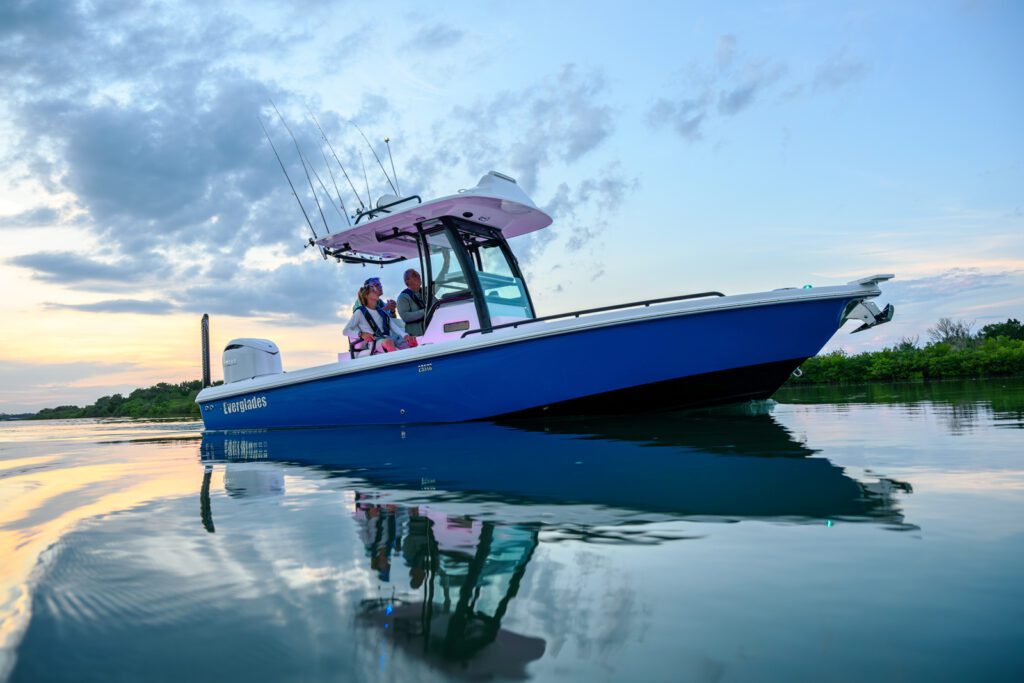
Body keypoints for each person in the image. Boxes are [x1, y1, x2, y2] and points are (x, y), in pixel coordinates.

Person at [344, 283, 415, 356]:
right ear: (366, 296)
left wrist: (405, 335)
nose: (377, 292)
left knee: (412, 340)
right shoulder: (359, 312)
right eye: (373, 291)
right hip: (375, 342)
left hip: (388, 338)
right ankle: (397, 362)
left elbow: (394, 327)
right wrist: (361, 334)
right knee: (388, 343)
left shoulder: (381, 312)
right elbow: (345, 331)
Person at [396, 268, 426, 336]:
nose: (418, 276)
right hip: (416, 335)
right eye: (414, 275)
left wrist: (446, 266)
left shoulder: (425, 292)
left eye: (418, 275)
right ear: (407, 281)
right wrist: (426, 311)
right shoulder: (403, 297)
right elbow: (405, 317)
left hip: (431, 330)